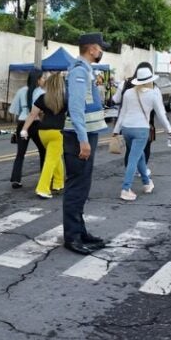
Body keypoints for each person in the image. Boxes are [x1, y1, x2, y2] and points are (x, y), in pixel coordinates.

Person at [61, 32, 110, 255]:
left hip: (86, 135)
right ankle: (71, 237)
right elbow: (76, 108)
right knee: (76, 188)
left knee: (82, 187)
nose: (101, 52)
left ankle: (80, 232)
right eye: (100, 48)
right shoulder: (79, 72)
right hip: (78, 138)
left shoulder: (85, 71)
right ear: (92, 49)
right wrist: (83, 140)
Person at [112, 66, 171, 201]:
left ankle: (147, 182)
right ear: (149, 80)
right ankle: (125, 189)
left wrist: (116, 130)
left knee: (139, 157)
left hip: (127, 129)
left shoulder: (128, 93)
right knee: (134, 158)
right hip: (141, 130)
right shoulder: (153, 94)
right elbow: (161, 114)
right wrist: (169, 130)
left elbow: (122, 113)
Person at [21, 72, 67, 199]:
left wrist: (24, 129)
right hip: (58, 132)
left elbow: (32, 115)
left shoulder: (42, 97)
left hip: (43, 132)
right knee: (51, 160)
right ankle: (42, 188)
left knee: (55, 156)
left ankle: (58, 183)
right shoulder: (65, 98)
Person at [113, 62, 156, 172]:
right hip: (145, 124)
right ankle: (142, 171)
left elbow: (116, 100)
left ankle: (130, 170)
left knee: (130, 148)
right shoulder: (153, 86)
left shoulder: (124, 83)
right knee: (145, 148)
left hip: (127, 123)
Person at [8, 69, 47, 188]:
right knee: (43, 150)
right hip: (35, 124)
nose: (44, 80)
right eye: (42, 78)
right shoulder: (41, 93)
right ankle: (44, 175)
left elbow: (14, 110)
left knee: (20, 153)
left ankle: (16, 179)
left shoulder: (21, 91)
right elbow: (41, 111)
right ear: (37, 80)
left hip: (22, 123)